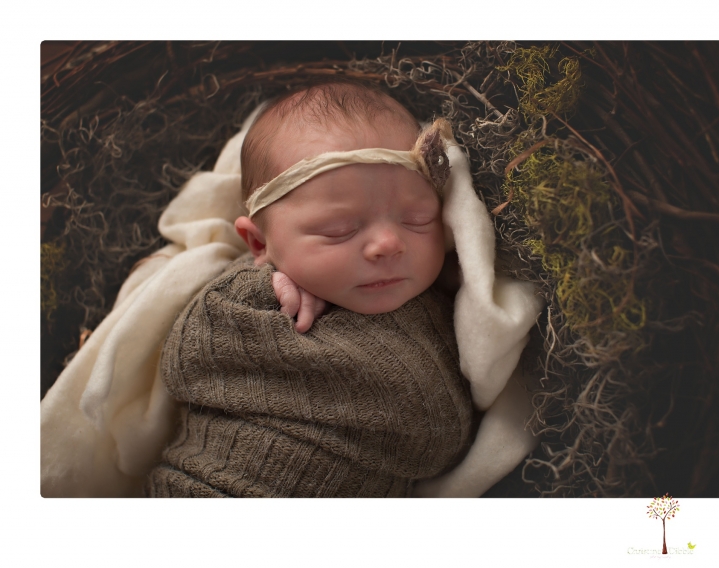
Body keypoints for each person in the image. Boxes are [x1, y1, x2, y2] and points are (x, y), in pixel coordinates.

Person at [146, 81, 475, 497]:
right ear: (260, 245)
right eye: (338, 230)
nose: (388, 243)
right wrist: (263, 286)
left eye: (417, 220)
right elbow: (190, 355)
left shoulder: (450, 305)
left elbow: (440, 433)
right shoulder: (247, 298)